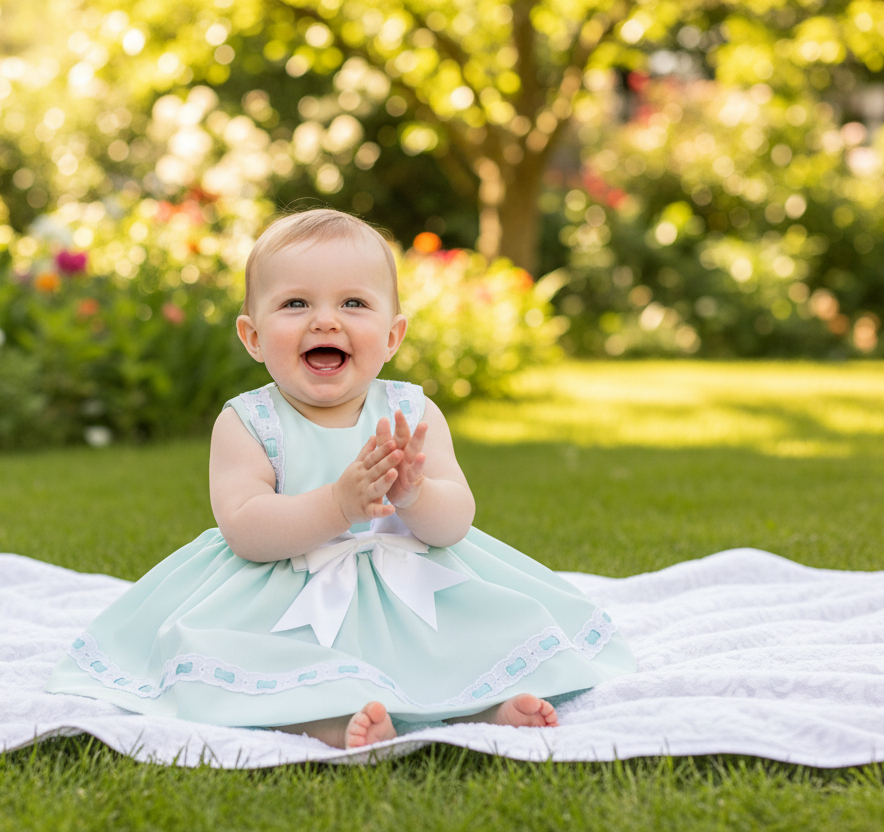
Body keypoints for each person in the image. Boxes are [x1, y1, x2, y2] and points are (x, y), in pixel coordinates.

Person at [46, 209, 636, 748]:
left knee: (479, 632)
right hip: (283, 589)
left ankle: (483, 706)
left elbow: (456, 521)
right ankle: (321, 719)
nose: (324, 320)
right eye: (296, 304)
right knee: (239, 656)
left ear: (392, 336)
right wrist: (338, 504)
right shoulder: (247, 423)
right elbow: (247, 529)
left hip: (409, 586)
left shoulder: (412, 412)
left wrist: (414, 495)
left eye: (353, 303)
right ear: (252, 337)